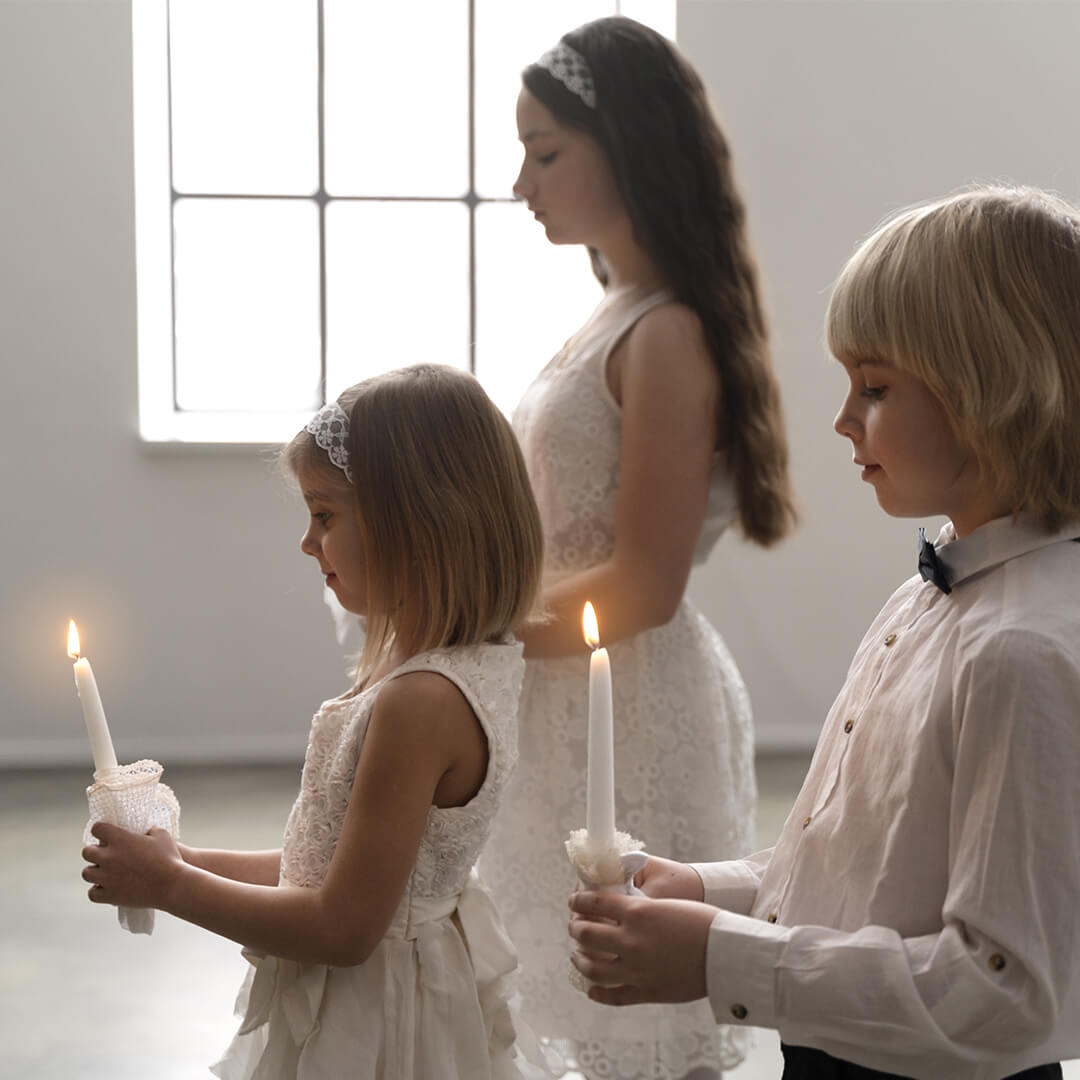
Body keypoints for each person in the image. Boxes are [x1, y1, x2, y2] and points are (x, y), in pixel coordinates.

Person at [567, 184, 1080, 1080]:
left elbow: (1006, 994)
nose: (843, 418)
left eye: (874, 387)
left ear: (993, 389)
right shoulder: (928, 599)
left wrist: (719, 959)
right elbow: (868, 870)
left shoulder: (1019, 650)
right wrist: (706, 892)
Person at [476, 15, 797, 1080]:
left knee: (637, 1023)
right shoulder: (613, 312)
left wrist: (469, 626)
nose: (521, 180)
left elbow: (643, 586)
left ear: (628, 145)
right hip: (557, 697)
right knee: (564, 999)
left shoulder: (666, 332)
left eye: (545, 150)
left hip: (624, 701)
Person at [80, 364, 548, 1079]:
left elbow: (344, 925)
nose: (307, 542)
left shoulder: (418, 703)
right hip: (397, 991)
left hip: (378, 1025)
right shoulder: (458, 671)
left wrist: (171, 888)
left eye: (324, 515)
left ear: (416, 523)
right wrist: (178, 861)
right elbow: (327, 866)